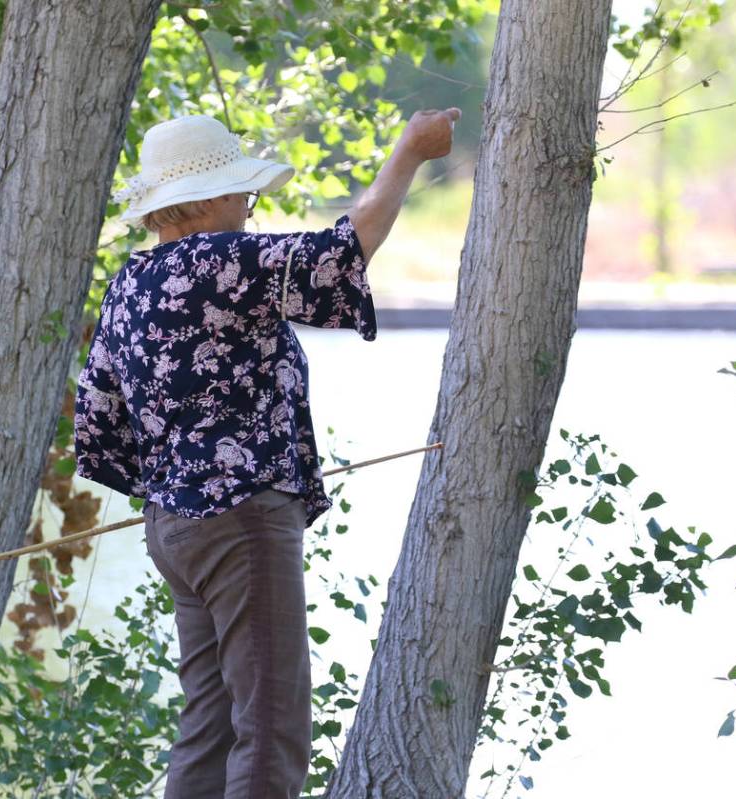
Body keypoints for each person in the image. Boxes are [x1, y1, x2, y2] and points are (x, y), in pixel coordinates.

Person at [73, 108, 459, 799]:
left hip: (173, 524)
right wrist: (409, 152)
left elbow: (99, 418)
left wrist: (175, 484)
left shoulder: (128, 285)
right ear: (205, 199)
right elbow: (344, 251)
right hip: (240, 521)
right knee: (273, 722)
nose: (249, 206)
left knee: (211, 721)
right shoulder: (218, 261)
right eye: (239, 192)